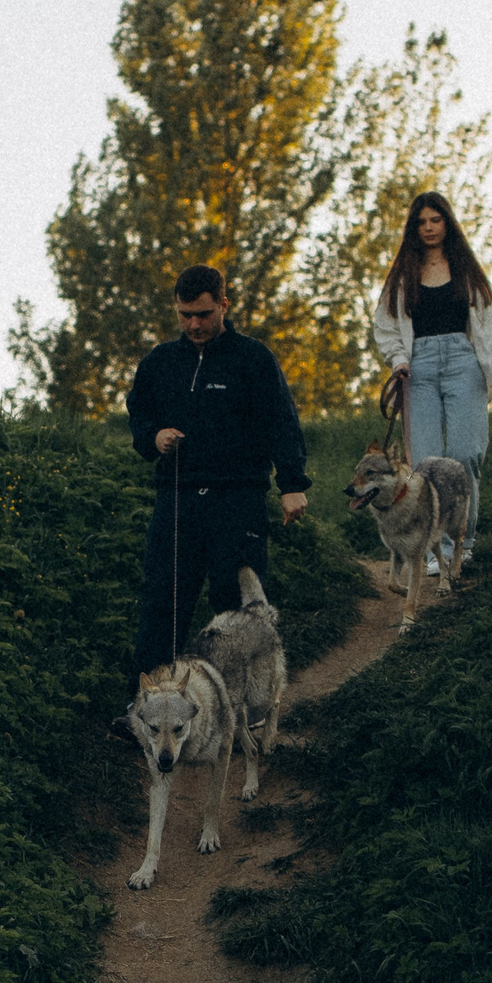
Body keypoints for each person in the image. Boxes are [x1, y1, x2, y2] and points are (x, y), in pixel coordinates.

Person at [125, 264, 311, 678]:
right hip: (178, 499)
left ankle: (241, 709)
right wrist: (153, 437)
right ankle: (151, 703)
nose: (193, 323)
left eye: (203, 314)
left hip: (238, 500)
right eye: (185, 315)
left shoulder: (253, 359)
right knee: (163, 602)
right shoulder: (160, 362)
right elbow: (139, 415)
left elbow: (282, 422)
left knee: (237, 609)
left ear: (224, 305)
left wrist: (292, 485)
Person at [370, 191, 492, 567]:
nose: (429, 228)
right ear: (414, 229)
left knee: (466, 455)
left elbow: (490, 322)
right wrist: (399, 360)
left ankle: (461, 544)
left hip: (464, 363)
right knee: (425, 464)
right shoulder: (402, 275)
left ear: (447, 223)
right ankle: (433, 551)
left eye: (435, 220)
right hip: (419, 368)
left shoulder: (466, 270)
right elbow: (384, 326)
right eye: (421, 222)